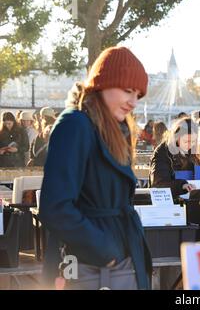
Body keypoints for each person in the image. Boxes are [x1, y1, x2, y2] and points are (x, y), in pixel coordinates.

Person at [39, 46, 152, 290]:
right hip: (89, 264)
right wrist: (104, 250)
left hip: (116, 259)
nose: (133, 102)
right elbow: (55, 207)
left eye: (138, 95)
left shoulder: (114, 130)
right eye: (128, 91)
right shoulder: (76, 124)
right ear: (104, 84)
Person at [149, 117, 197, 197]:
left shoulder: (194, 150)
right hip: (168, 201)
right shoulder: (163, 152)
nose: (190, 145)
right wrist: (181, 185)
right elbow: (158, 184)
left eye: (193, 141)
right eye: (186, 141)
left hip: (191, 198)